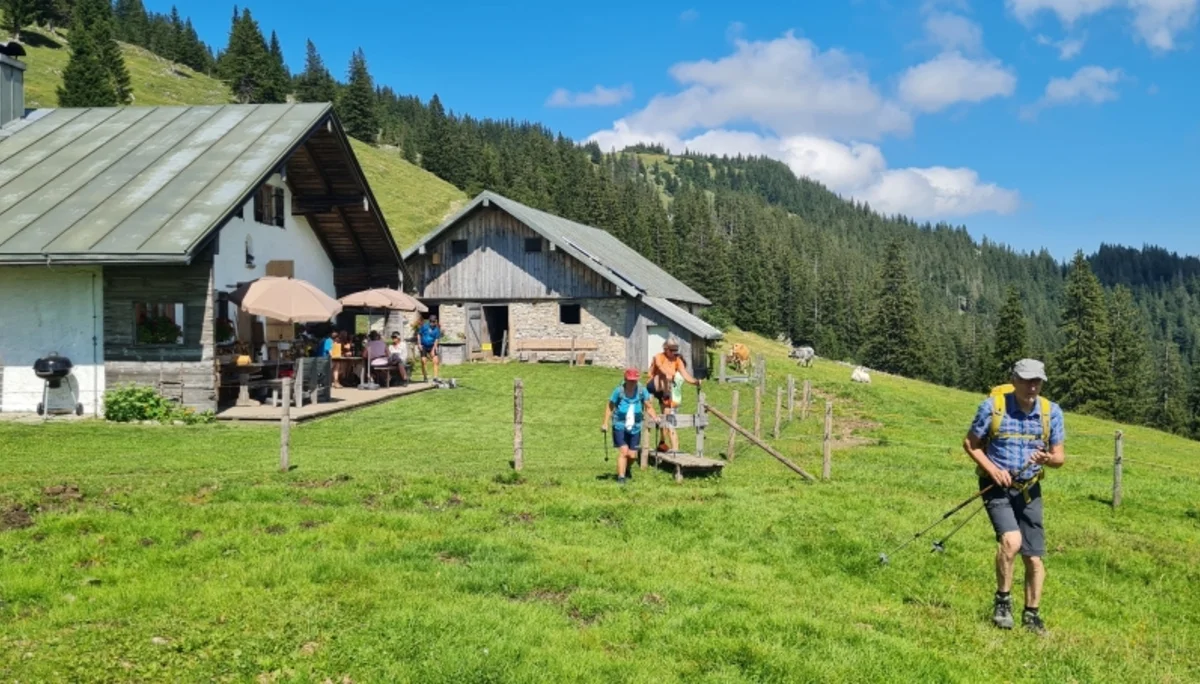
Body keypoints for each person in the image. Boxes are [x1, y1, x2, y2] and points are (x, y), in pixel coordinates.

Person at [962, 358, 1066, 636]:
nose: (1033, 387)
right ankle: (1003, 603)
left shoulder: (1050, 412)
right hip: (995, 486)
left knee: (1034, 557)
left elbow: (1060, 457)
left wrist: (1047, 459)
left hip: (1030, 489)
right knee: (1011, 541)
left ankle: (1031, 615)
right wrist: (993, 470)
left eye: (1038, 381)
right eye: (1027, 380)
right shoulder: (992, 407)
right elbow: (970, 444)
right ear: (1014, 380)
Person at [602, 368, 659, 484]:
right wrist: (605, 423)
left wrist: (655, 417)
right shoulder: (619, 391)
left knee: (632, 455)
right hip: (620, 425)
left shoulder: (642, 391)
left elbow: (648, 406)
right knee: (624, 451)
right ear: (625, 379)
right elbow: (610, 406)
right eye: (630, 380)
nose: (633, 383)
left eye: (634, 380)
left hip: (635, 426)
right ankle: (621, 478)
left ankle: (626, 468)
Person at [647, 338, 699, 452]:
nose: (674, 353)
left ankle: (665, 444)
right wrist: (668, 375)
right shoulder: (658, 357)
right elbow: (661, 369)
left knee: (667, 418)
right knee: (664, 376)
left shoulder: (677, 360)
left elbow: (685, 374)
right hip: (654, 385)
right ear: (666, 349)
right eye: (672, 350)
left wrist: (695, 382)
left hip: (666, 388)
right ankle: (666, 395)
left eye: (676, 351)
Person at [418, 315, 442, 382]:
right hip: (424, 345)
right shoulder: (424, 327)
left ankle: (435, 377)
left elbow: (436, 340)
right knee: (423, 361)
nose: (432, 323)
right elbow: (419, 334)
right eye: (431, 321)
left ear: (436, 321)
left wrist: (434, 349)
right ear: (429, 321)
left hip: (432, 346)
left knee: (436, 360)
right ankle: (425, 377)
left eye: (433, 321)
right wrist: (419, 344)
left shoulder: (437, 330)